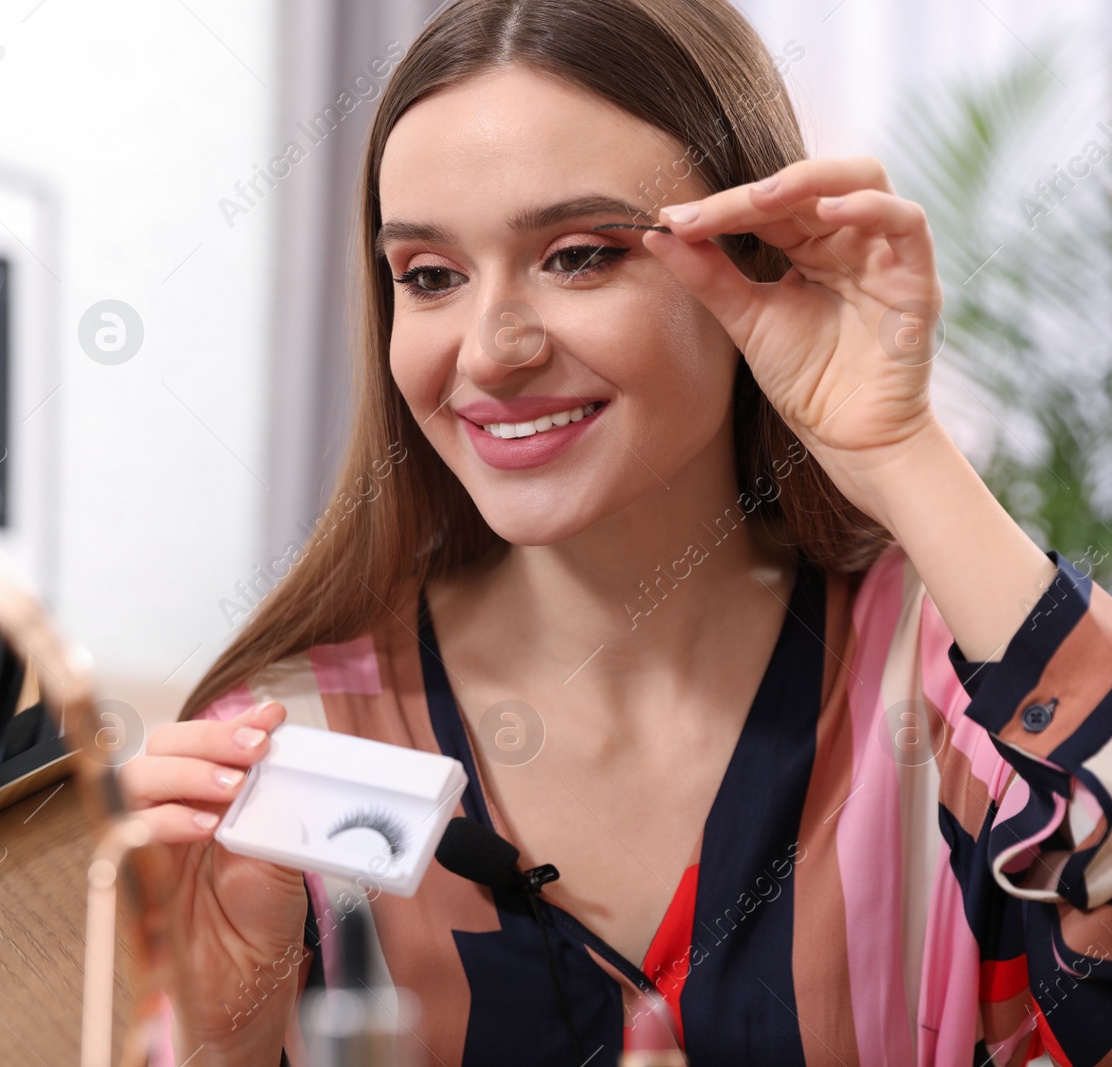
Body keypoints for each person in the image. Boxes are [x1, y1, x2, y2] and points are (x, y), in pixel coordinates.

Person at [119, 0, 1112, 1063]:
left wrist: (898, 448)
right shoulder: (282, 758)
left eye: (579, 255)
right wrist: (219, 1040)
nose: (491, 349)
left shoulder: (956, 705)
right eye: (430, 275)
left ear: (758, 260)